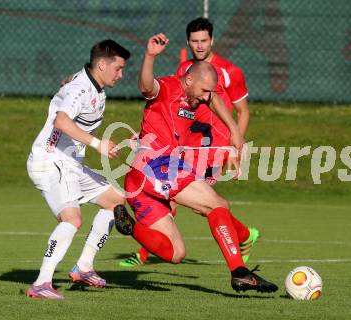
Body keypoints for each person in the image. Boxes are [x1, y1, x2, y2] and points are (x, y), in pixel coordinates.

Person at [114, 33, 278, 293]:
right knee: (217, 205)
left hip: (138, 179)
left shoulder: (198, 94)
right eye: (202, 90)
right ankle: (240, 271)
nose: (205, 98)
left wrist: (234, 130)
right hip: (157, 164)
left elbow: (212, 99)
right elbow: (146, 87)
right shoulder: (168, 87)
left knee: (176, 252)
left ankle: (130, 227)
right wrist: (150, 57)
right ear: (188, 79)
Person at [26, 40, 131, 299]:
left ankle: (84, 266)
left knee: (116, 202)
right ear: (102, 65)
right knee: (72, 219)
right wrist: (98, 144)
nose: (121, 74)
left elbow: (71, 83)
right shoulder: (80, 89)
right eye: (118, 68)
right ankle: (41, 283)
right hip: (50, 160)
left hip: (70, 163)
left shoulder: (93, 87)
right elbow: (61, 121)